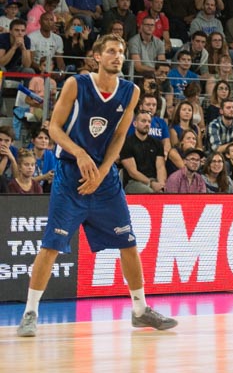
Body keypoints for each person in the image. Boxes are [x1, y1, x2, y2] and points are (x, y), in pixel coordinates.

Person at [16, 35, 177, 337]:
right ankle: (30, 313)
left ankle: (140, 310)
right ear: (97, 57)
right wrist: (79, 153)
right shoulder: (77, 84)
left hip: (104, 179)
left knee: (128, 243)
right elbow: (53, 127)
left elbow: (119, 138)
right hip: (69, 175)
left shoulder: (131, 91)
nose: (118, 57)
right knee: (51, 245)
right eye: (112, 52)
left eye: (122, 52)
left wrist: (103, 171)